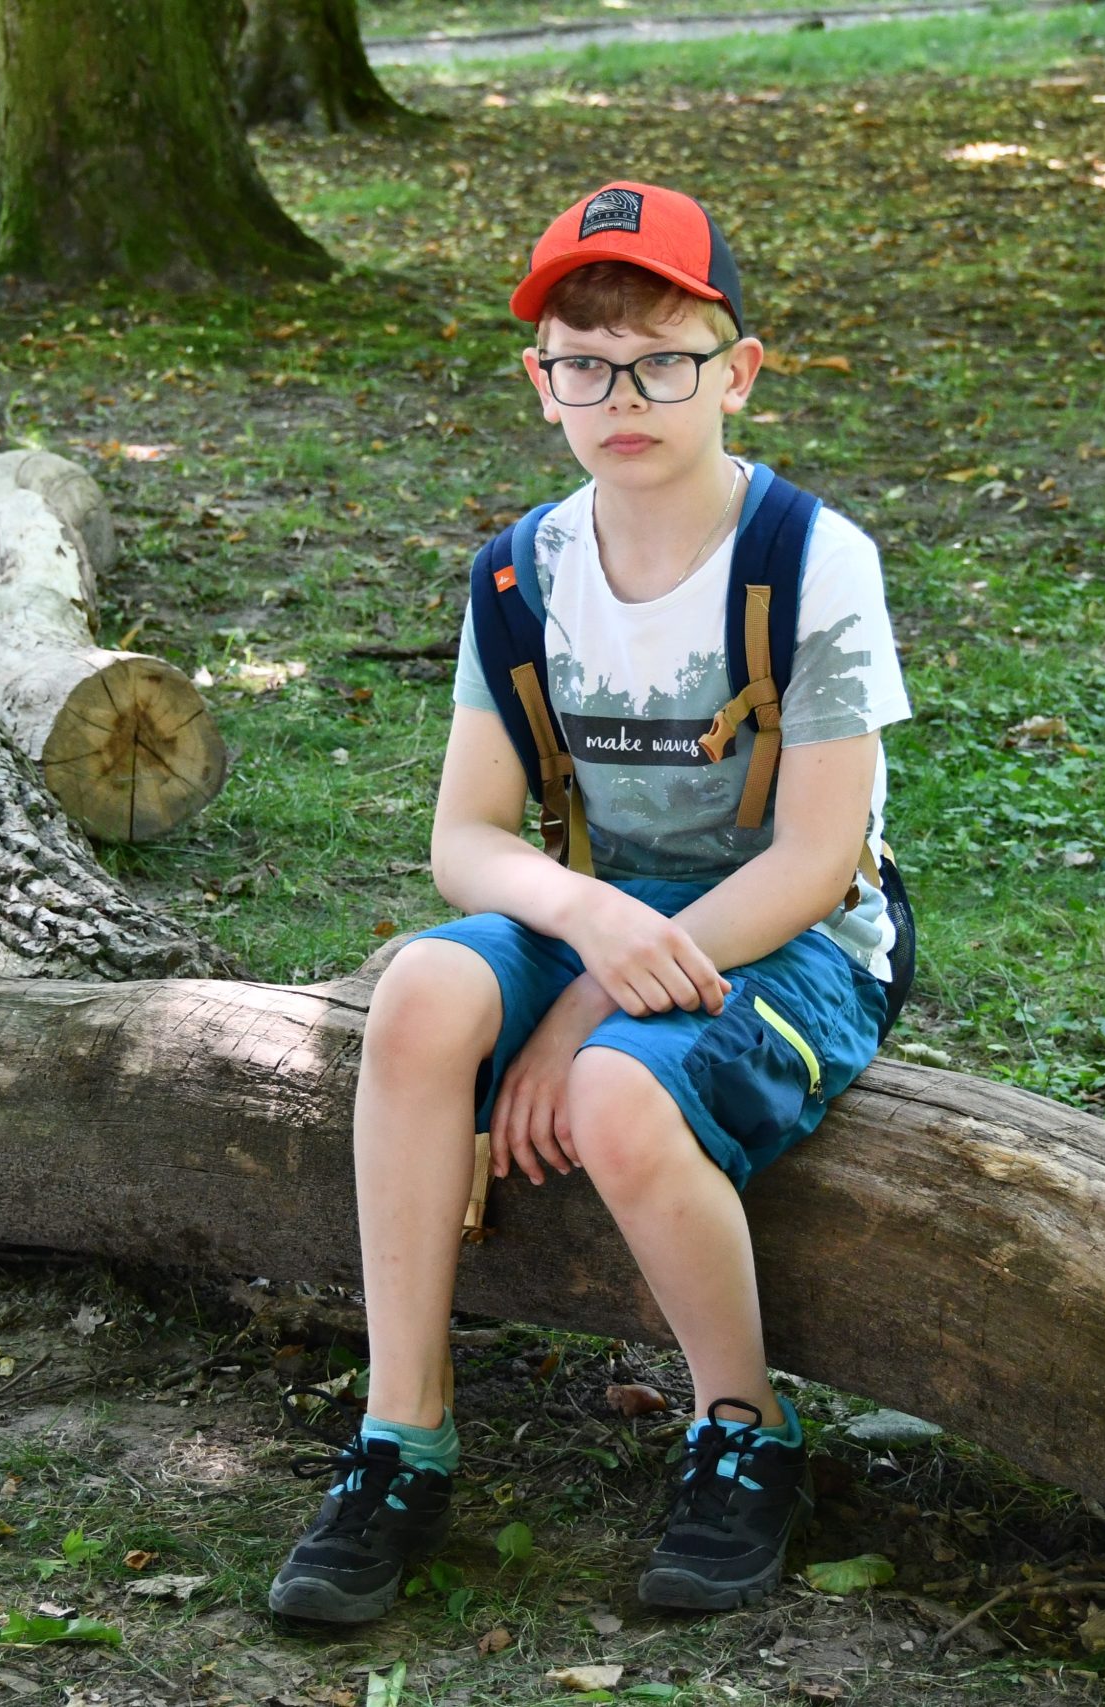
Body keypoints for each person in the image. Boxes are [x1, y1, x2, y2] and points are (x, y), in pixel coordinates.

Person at [268, 178, 912, 1625]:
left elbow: (815, 861)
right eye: (586, 364)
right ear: (539, 382)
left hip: (794, 934)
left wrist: (584, 1009)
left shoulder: (810, 559)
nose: (624, 395)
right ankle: (400, 1438)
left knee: (617, 1092)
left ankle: (744, 1430)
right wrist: (592, 929)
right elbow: (467, 839)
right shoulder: (521, 573)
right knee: (421, 995)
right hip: (598, 914)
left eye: (663, 360)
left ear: (737, 372)